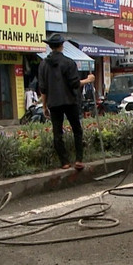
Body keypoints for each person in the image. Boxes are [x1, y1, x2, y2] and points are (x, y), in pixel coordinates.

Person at [38, 33, 95, 170]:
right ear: (62, 46)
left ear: (50, 46)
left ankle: (64, 162)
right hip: (70, 101)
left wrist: (44, 106)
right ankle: (79, 160)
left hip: (53, 103)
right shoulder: (69, 62)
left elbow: (43, 89)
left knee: (57, 133)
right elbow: (75, 84)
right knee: (77, 130)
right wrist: (88, 80)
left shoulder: (43, 65)